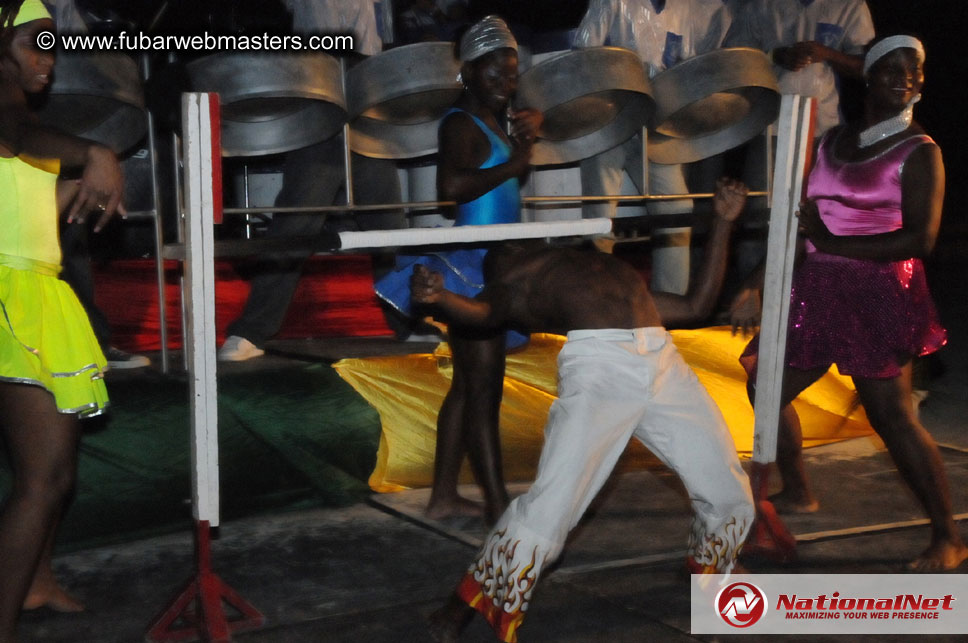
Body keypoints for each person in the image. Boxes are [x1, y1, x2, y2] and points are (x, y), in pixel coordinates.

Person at [418, 177, 752, 643]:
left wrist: (722, 223)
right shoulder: (513, 282)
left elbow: (697, 305)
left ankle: (710, 577)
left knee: (726, 485)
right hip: (600, 373)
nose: (516, 241)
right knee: (550, 510)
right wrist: (442, 299)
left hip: (662, 360)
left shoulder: (597, 267)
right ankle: (459, 607)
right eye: (506, 245)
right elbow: (483, 314)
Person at [733, 36, 967, 571]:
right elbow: (802, 224)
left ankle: (948, 536)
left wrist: (833, 244)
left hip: (879, 291)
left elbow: (921, 240)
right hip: (819, 288)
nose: (905, 79)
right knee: (766, 384)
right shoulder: (832, 140)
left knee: (893, 418)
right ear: (867, 75)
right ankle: (799, 490)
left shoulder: (920, 150)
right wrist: (756, 281)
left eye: (914, 71)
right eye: (892, 69)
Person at [374, 15, 543, 525]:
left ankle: (445, 495)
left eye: (512, 74)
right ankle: (497, 506)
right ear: (467, 72)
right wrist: (514, 165)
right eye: (494, 73)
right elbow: (449, 189)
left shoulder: (493, 118)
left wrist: (527, 134)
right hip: (471, 264)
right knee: (483, 389)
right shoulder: (460, 122)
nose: (506, 83)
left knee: (469, 386)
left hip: (495, 259)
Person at [1, 0, 125, 636]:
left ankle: (36, 582)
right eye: (36, 42)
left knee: (54, 473)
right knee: (44, 476)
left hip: (35, 289)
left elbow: (19, 205)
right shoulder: (10, 114)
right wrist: (95, 153)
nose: (49, 58)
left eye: (54, 44)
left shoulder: (22, 120)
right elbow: (19, 139)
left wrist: (73, 190)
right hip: (11, 295)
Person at [217, 0, 405, 362]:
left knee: (388, 219)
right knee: (298, 218)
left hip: (367, 77)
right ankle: (253, 329)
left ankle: (406, 319)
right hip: (320, 74)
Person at [573, 0, 732, 295]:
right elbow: (583, 53)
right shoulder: (614, 1)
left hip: (657, 126)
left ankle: (672, 300)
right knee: (600, 211)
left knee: (677, 208)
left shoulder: (684, 8)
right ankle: (596, 295)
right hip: (611, 120)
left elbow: (690, 64)